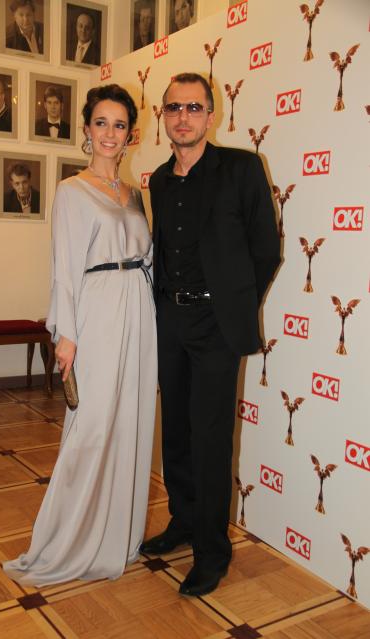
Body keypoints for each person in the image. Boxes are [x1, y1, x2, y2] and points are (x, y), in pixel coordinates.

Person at [3, 84, 157, 587]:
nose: (110, 133)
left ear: (130, 134)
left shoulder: (135, 194)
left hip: (140, 312)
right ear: (87, 130)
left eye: (119, 124)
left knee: (130, 423)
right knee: (89, 429)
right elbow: (64, 269)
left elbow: (147, 260)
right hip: (97, 313)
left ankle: (117, 536)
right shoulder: (72, 190)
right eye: (101, 123)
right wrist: (65, 335)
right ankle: (66, 540)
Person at [140, 73, 281, 596]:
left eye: (193, 107)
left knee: (210, 439)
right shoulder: (159, 179)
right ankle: (182, 522)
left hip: (215, 327)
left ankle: (211, 552)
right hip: (169, 321)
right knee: (175, 431)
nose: (183, 117)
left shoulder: (242, 169)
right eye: (174, 108)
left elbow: (266, 249)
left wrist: (231, 304)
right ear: (164, 116)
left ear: (211, 115)